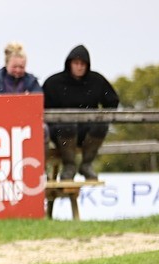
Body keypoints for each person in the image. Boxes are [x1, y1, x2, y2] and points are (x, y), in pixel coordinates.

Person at [42, 44, 119, 180]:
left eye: (83, 64)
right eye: (76, 63)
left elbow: (112, 101)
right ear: (70, 64)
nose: (79, 67)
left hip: (86, 131)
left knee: (101, 125)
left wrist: (104, 116)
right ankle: (69, 166)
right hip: (61, 132)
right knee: (67, 124)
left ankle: (86, 164)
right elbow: (42, 108)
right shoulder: (53, 83)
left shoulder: (97, 81)